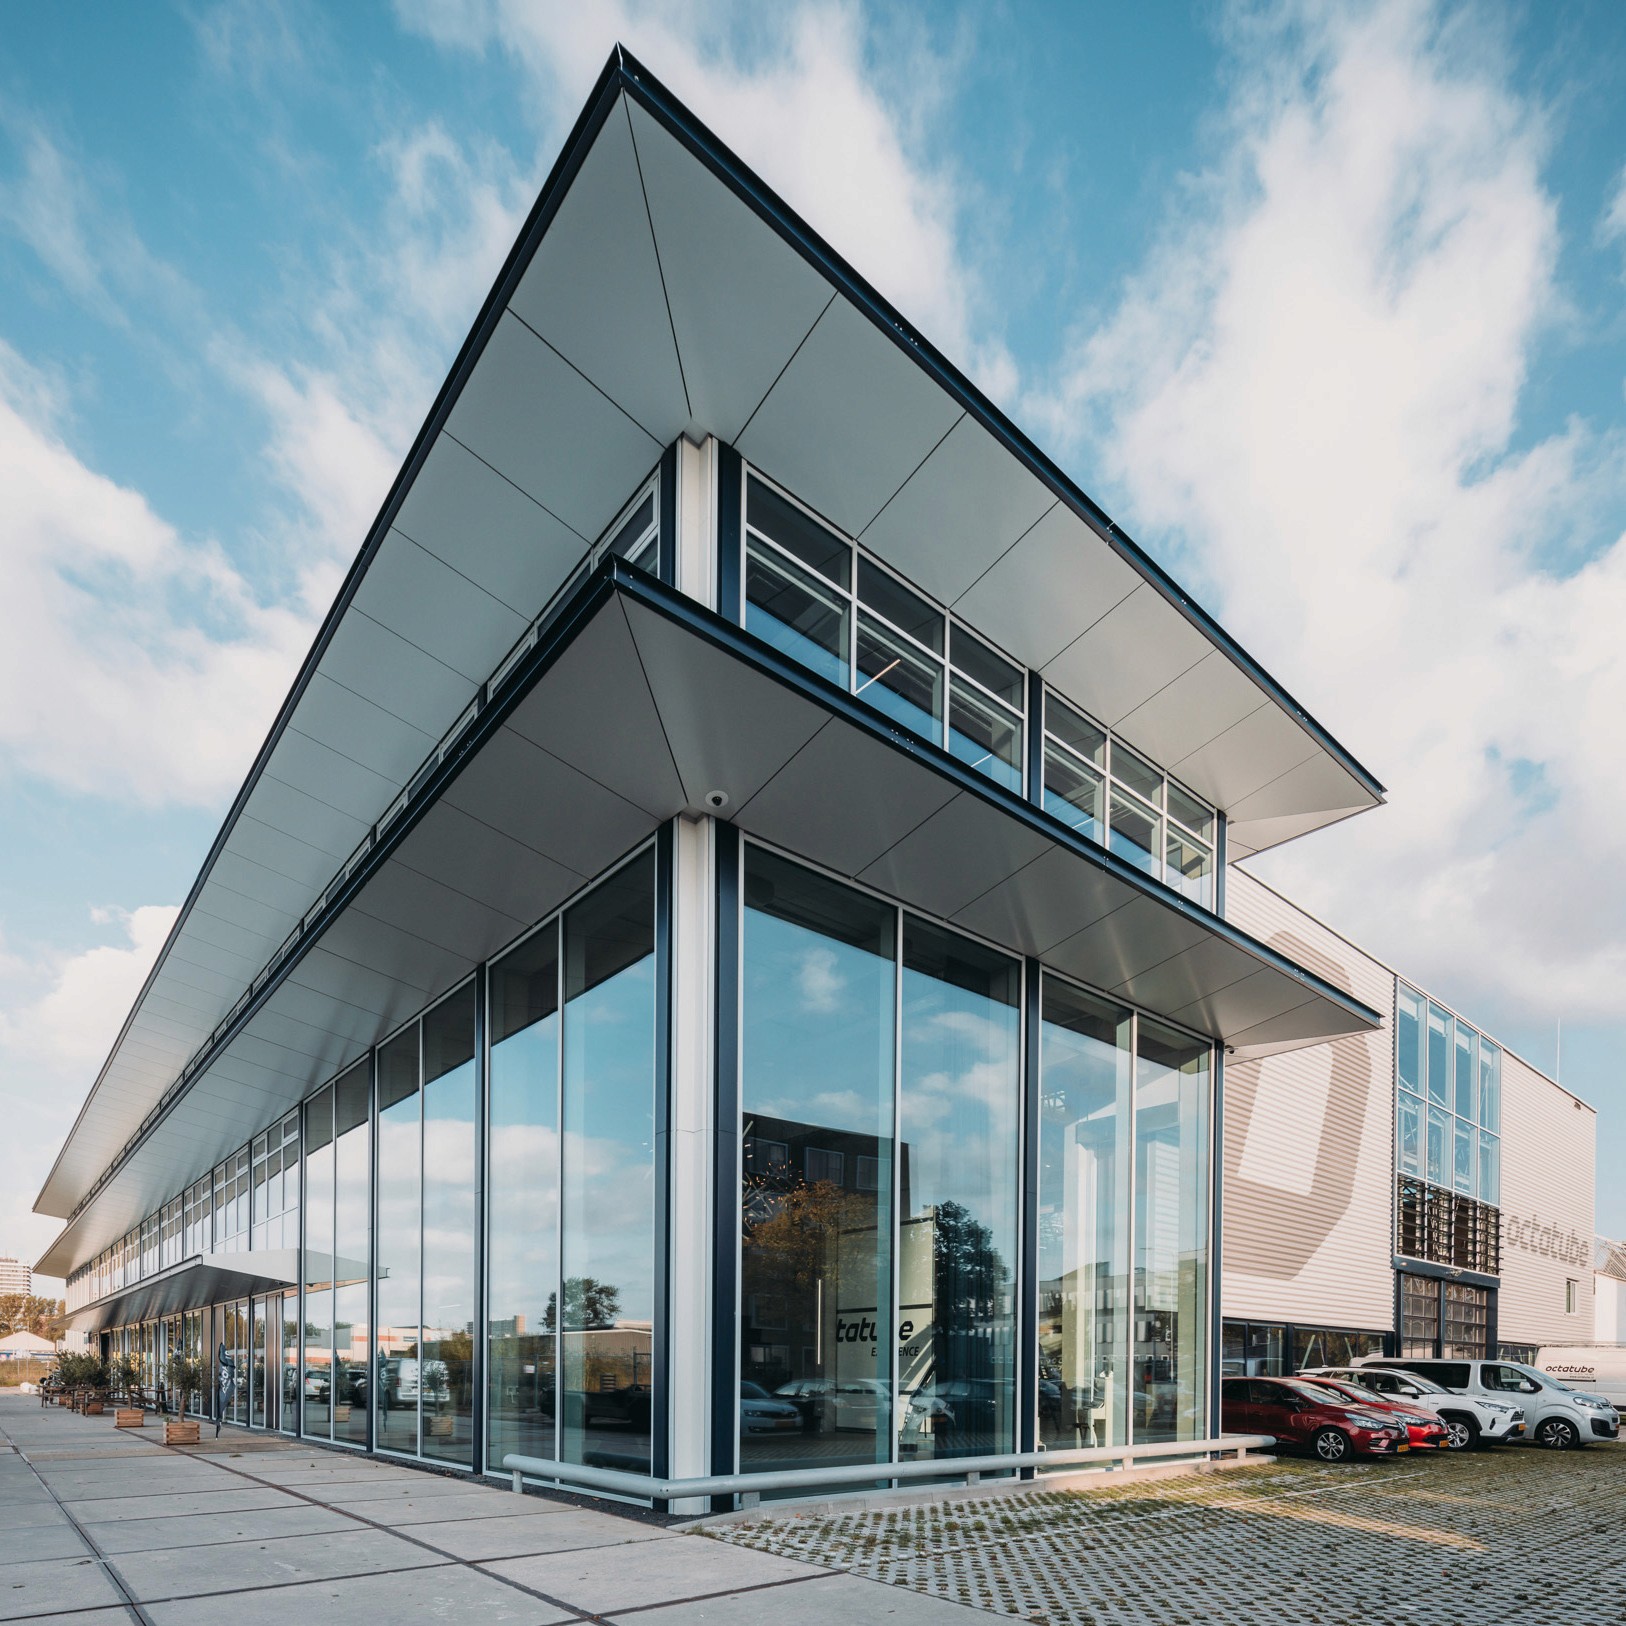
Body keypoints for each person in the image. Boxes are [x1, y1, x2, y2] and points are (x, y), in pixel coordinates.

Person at [215, 1341, 237, 1438]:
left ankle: (218, 1421)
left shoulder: (225, 1366)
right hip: (222, 1383)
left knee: (221, 1400)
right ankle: (218, 1423)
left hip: (223, 1383)